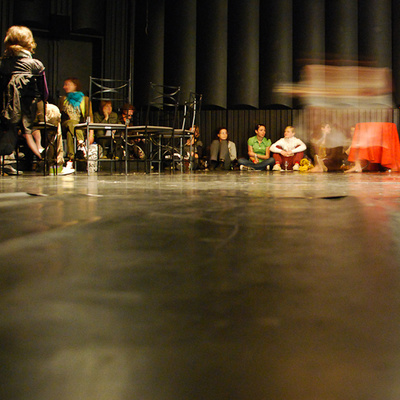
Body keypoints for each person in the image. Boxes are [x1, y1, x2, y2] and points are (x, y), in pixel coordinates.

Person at [0, 25, 48, 167]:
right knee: (54, 115)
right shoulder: (36, 65)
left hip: (7, 112)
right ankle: (52, 160)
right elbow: (45, 93)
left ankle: (9, 158)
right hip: (30, 112)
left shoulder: (2, 64)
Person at [33, 101, 74, 175]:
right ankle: (56, 164)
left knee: (54, 130)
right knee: (54, 112)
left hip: (39, 106)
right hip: (35, 107)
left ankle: (53, 163)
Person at [59, 77, 93, 166]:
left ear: (75, 85)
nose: (64, 87)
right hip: (66, 124)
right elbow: (59, 115)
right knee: (72, 123)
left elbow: (90, 116)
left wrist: (91, 133)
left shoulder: (85, 99)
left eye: (67, 84)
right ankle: (81, 144)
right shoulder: (63, 99)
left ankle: (71, 160)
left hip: (80, 126)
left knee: (70, 134)